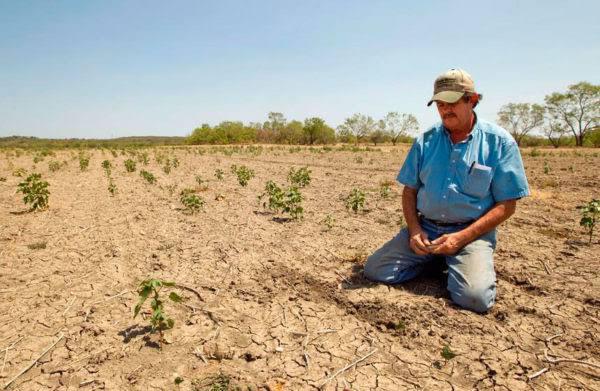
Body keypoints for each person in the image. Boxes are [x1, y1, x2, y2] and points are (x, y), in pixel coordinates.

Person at [364, 68, 529, 313]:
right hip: (426, 229)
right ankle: (435, 259)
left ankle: (459, 262)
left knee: (475, 299)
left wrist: (461, 238)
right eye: (439, 104)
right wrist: (414, 230)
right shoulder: (425, 141)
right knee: (375, 270)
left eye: (452, 102)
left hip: (470, 234)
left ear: (472, 100)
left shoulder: (499, 142)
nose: (445, 109)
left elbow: (507, 205)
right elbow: (409, 191)